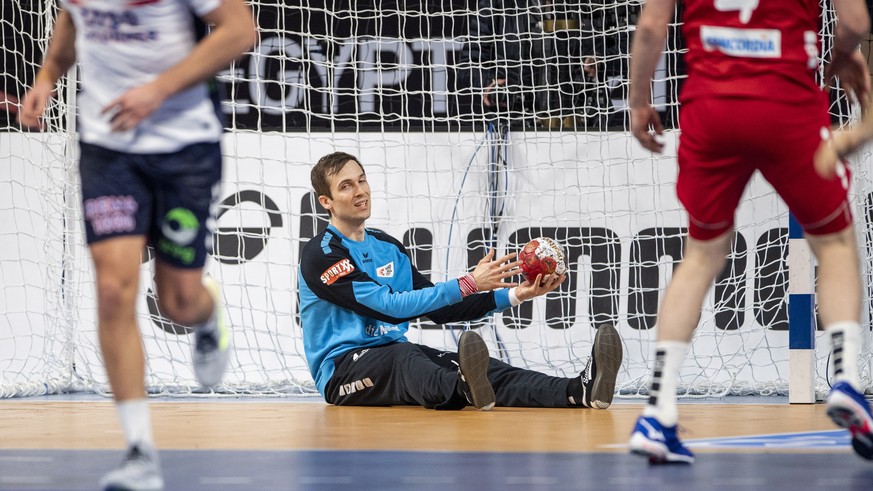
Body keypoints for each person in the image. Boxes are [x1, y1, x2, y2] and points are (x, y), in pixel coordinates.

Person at [18, 1, 257, 489]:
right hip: (110, 148)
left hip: (184, 147)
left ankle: (207, 313)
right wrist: (46, 77)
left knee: (178, 302)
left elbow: (240, 30)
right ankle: (139, 453)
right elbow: (72, 18)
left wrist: (157, 90)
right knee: (112, 289)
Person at [627, 0, 873, 464]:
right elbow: (856, 22)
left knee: (701, 254)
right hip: (789, 105)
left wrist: (640, 103)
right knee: (835, 243)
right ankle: (846, 379)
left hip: (711, 109)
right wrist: (842, 53)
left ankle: (657, 411)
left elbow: (650, 28)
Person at [298, 151, 623, 410]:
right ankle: (461, 387)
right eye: (346, 186)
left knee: (487, 369)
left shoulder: (387, 246)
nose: (360, 191)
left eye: (362, 180)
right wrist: (468, 282)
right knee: (406, 357)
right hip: (343, 372)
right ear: (326, 202)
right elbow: (389, 308)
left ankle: (578, 390)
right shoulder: (322, 255)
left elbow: (440, 310)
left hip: (392, 355)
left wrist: (516, 295)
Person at [457, 0, 625, 129]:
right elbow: (467, 66)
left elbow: (636, 48)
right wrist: (492, 83)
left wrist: (602, 59)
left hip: (593, 129)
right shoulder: (498, 3)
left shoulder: (599, 3)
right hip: (516, 129)